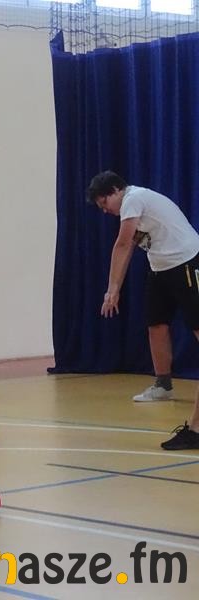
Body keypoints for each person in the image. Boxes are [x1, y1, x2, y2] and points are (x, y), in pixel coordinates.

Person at [89, 170, 199, 450]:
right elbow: (128, 248)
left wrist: (112, 290)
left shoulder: (133, 199)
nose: (105, 211)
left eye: (105, 203)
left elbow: (122, 244)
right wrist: (115, 286)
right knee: (156, 324)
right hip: (160, 267)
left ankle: (195, 429)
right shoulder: (134, 208)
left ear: (116, 191)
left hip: (185, 262)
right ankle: (163, 384)